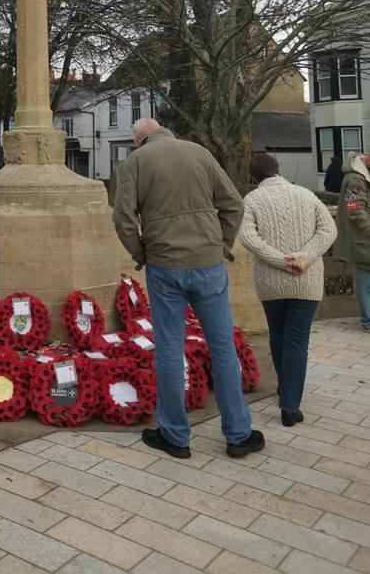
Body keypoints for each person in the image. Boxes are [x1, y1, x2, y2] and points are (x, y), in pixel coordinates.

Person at [113, 117, 264, 459]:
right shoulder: (200, 152)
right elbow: (233, 204)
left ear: (140, 141)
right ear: (165, 130)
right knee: (223, 347)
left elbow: (122, 218)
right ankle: (239, 434)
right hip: (208, 262)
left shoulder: (135, 162)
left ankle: (175, 435)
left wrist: (142, 254)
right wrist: (221, 244)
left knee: (169, 348)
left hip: (165, 264)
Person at [240, 153, 336, 425]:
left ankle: (286, 387)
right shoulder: (305, 194)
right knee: (297, 340)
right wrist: (302, 258)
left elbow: (248, 238)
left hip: (270, 282)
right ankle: (290, 406)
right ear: (278, 169)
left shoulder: (252, 200)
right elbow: (328, 230)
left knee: (278, 334)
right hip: (306, 279)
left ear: (253, 178)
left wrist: (281, 262)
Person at [334, 151, 370, 332]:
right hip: (363, 240)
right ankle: (368, 321)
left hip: (364, 238)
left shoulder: (362, 176)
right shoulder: (356, 180)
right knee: (365, 282)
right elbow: (354, 209)